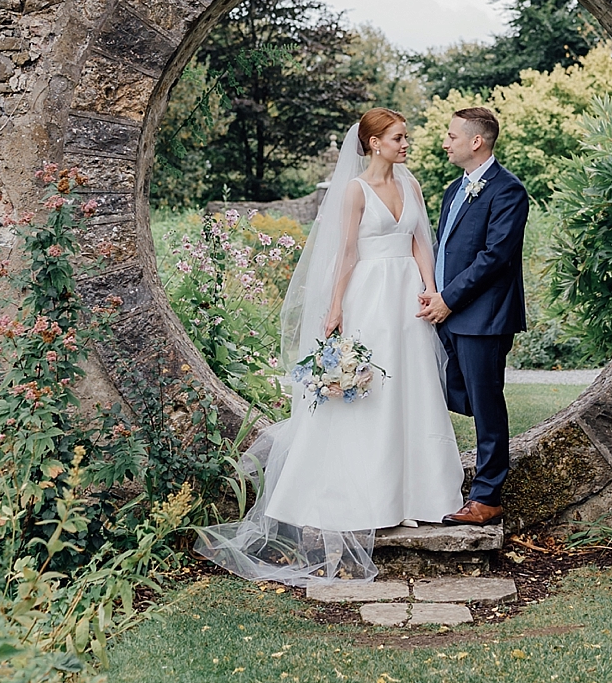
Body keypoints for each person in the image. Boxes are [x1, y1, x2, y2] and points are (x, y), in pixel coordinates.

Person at [197, 108, 465, 582]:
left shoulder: (412, 185)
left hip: (407, 298)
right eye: (398, 138)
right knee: (372, 392)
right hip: (370, 298)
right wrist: (336, 307)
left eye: (406, 137)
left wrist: (430, 288)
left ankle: (418, 496)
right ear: (374, 143)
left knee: (413, 388)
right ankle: (373, 497)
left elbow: (420, 242)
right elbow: (347, 251)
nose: (406, 144)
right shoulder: (355, 190)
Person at [420, 106, 528, 523]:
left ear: (476, 141)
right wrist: (433, 294)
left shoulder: (508, 190)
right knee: (445, 394)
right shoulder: (454, 190)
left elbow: (495, 257)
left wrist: (449, 298)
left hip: (483, 317)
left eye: (451, 136)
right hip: (446, 312)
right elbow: (446, 249)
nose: (445, 143)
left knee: (486, 406)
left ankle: (487, 498)